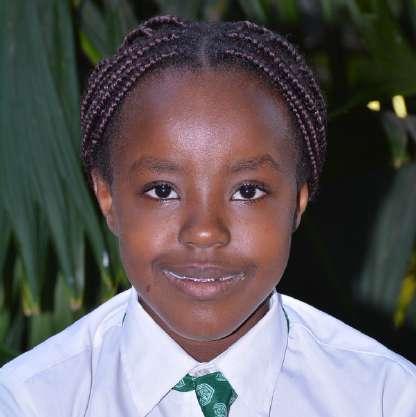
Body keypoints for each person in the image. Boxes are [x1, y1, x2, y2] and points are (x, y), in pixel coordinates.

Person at [0, 15, 415, 417]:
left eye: (247, 191)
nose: (204, 232)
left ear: (297, 203)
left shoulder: (386, 399)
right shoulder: (28, 401)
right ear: (108, 199)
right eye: (162, 191)